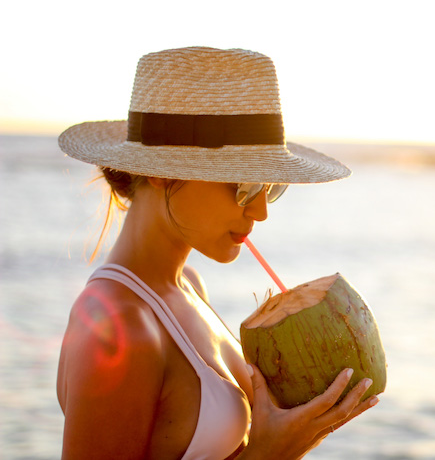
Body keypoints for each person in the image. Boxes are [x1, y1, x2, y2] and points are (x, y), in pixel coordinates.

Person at [56, 47, 378, 459]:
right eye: (244, 185)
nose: (260, 211)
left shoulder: (189, 285)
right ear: (161, 170)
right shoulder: (119, 327)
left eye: (270, 187)